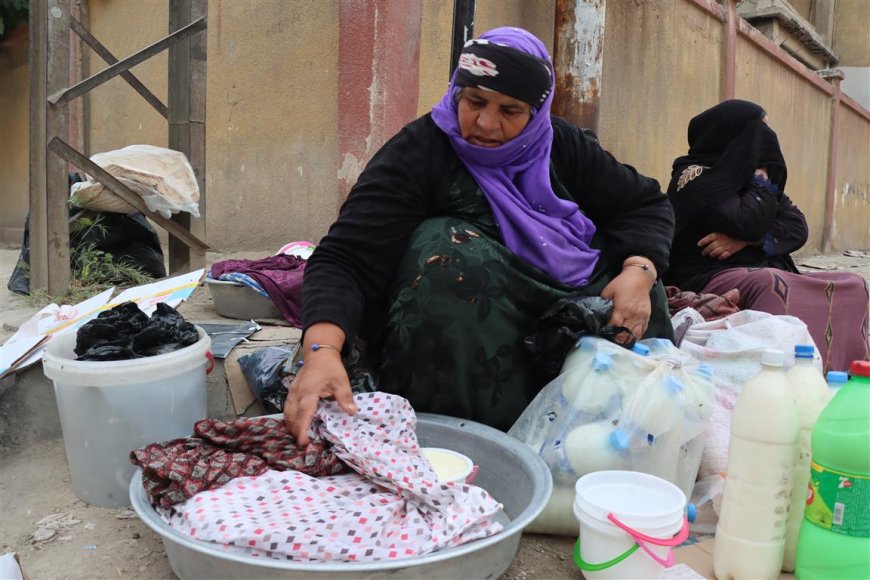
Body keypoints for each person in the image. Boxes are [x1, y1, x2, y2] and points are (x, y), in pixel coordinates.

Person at [285, 27, 675, 444]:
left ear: (537, 111)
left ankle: (614, 440)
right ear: (457, 92)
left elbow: (645, 205)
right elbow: (346, 257)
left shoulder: (562, 146)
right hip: (472, 326)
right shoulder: (422, 151)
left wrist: (641, 269)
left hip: (559, 304)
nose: (486, 123)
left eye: (510, 110)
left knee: (641, 289)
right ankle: (466, 442)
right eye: (474, 102)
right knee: (445, 250)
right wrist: (322, 352)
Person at [665, 99, 869, 372]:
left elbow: (797, 226)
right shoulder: (693, 176)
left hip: (758, 267)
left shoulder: (749, 178)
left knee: (853, 284)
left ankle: (837, 371)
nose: (767, 137)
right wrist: (761, 186)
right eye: (761, 128)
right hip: (708, 274)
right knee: (770, 283)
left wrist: (748, 241)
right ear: (733, 134)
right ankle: (777, 376)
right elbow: (746, 220)